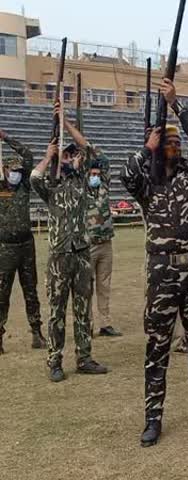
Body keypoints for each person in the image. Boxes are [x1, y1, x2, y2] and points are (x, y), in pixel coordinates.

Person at [122, 79, 188, 447]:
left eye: (176, 142)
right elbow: (126, 176)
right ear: (158, 148)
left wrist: (176, 104)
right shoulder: (148, 180)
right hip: (162, 271)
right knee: (158, 346)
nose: (176, 146)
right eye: (169, 143)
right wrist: (144, 148)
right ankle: (153, 418)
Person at [32, 104, 108, 382]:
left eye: (72, 155)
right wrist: (47, 156)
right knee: (56, 311)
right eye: (67, 155)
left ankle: (84, 358)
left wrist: (65, 124)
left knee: (82, 309)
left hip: (82, 253)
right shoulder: (51, 186)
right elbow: (33, 177)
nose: (72, 158)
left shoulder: (84, 182)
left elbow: (88, 148)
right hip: (59, 256)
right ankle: (55, 361)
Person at [0, 129, 45, 353]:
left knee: (31, 290)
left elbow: (28, 155)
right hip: (5, 248)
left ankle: (37, 332)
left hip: (26, 245)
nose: (16, 173)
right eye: (12, 170)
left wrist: (6, 138)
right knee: (2, 293)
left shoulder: (25, 187)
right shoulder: (1, 188)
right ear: (5, 170)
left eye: (18, 170)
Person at [85, 149, 121, 338]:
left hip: (106, 244)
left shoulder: (103, 187)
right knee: (87, 286)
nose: (96, 177)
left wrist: (91, 149)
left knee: (104, 285)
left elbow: (105, 160)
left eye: (98, 174)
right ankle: (87, 324)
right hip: (89, 245)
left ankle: (105, 323)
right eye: (92, 174)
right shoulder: (82, 190)